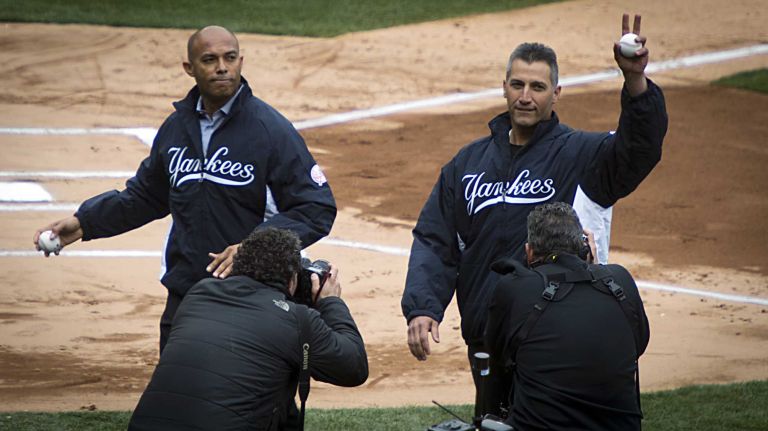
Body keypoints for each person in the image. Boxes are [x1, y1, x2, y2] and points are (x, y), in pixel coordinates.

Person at [401, 13, 665, 392]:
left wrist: (635, 79)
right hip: (488, 337)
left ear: (556, 93)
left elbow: (639, 149)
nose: (526, 96)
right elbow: (434, 239)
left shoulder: (582, 155)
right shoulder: (467, 164)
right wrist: (424, 306)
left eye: (538, 86)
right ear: (504, 88)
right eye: (517, 85)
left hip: (558, 334)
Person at [32, 25, 336, 351]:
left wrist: (253, 248)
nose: (222, 67)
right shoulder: (177, 128)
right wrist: (84, 223)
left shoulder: (270, 130)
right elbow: (145, 196)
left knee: (248, 397)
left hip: (253, 294)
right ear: (190, 68)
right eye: (210, 59)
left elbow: (316, 207)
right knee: (178, 393)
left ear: (241, 62)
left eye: (230, 58)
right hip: (187, 292)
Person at [128, 227, 368, 430]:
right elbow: (354, 367)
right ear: (292, 279)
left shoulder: (199, 294)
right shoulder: (297, 320)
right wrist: (330, 302)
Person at [484, 202, 649, 430]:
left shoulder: (514, 289)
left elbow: (499, 356)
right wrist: (596, 266)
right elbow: (638, 344)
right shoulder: (620, 281)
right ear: (584, 247)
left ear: (529, 252)